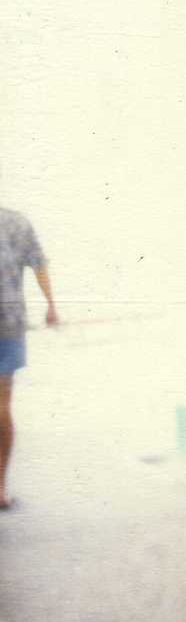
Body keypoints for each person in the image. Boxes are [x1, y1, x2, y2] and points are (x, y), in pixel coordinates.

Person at [0, 205, 58, 510]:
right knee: (2, 405)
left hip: (9, 325)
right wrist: (51, 306)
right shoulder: (16, 221)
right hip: (9, 323)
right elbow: (39, 264)